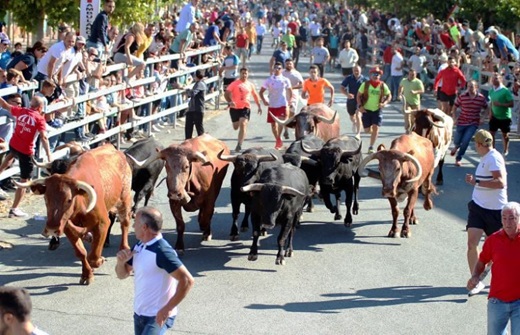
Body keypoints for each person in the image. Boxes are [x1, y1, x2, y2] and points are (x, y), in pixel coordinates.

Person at [115, 206, 195, 335]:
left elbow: (187, 281)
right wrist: (120, 263)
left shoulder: (162, 251)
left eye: (135, 223)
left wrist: (167, 309)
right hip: (140, 314)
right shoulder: (139, 246)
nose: (133, 227)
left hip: (157, 316)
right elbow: (122, 275)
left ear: (144, 227)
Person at [464, 129, 508, 297]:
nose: (475, 147)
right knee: (471, 244)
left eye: (476, 144)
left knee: (497, 250)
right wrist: (476, 183)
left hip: (495, 211)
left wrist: (477, 182)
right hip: (478, 207)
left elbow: (500, 183)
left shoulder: (494, 159)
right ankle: (476, 280)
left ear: (480, 144)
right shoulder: (485, 157)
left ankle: (500, 279)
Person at [466, 202, 520, 334]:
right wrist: (475, 277)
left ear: (519, 218)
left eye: (512, 218)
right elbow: (482, 260)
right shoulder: (493, 240)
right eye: (504, 218)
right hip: (497, 301)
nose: (507, 223)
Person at [0, 95, 52, 217]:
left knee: (10, 156)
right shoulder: (39, 119)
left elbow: (5, 105)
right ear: (40, 107)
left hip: (14, 144)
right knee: (25, 181)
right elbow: (44, 137)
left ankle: (0, 171)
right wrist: (49, 154)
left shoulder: (21, 111)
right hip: (26, 150)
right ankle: (14, 208)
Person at [450, 80, 488, 166]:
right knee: (457, 140)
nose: (470, 88)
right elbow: (455, 107)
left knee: (466, 141)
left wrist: (483, 118)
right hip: (462, 121)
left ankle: (458, 158)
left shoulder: (481, 98)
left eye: (472, 86)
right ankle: (456, 146)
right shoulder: (462, 96)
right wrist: (454, 118)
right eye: (468, 86)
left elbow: (487, 108)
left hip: (473, 123)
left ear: (476, 87)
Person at [224, 67, 262, 152]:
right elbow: (226, 94)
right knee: (235, 127)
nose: (244, 75)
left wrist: (259, 105)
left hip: (245, 107)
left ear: (248, 74)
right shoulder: (234, 84)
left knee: (243, 123)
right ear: (240, 74)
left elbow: (255, 95)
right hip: (234, 108)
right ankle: (236, 128)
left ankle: (239, 144)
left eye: (246, 73)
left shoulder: (250, 85)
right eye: (242, 73)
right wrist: (230, 102)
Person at [356, 66, 391, 154]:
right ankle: (371, 129)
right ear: (370, 75)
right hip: (366, 110)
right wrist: (360, 106)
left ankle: (371, 147)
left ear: (380, 76)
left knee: (376, 127)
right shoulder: (365, 84)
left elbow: (389, 95)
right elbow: (358, 95)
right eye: (374, 74)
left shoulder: (383, 85)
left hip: (377, 110)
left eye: (378, 74)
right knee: (367, 130)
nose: (376, 76)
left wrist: (384, 103)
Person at [259, 62, 292, 150]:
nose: (277, 69)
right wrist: (264, 100)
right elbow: (261, 92)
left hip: (282, 104)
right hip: (272, 105)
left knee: (281, 122)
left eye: (279, 68)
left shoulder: (285, 80)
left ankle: (279, 138)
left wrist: (289, 101)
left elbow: (290, 90)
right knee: (273, 125)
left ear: (282, 70)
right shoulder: (269, 80)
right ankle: (278, 138)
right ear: (273, 69)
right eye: (276, 68)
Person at [488, 72, 514, 156]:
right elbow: (491, 102)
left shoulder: (505, 91)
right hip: (495, 116)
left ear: (500, 79)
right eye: (493, 78)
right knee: (491, 133)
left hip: (504, 117)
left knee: (505, 135)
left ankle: (506, 149)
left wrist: (501, 104)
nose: (494, 80)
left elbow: (511, 104)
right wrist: (490, 113)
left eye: (496, 78)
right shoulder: (491, 90)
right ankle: (493, 150)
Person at [341, 65, 366, 137]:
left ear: (360, 71)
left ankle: (358, 133)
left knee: (358, 115)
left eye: (357, 70)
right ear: (352, 71)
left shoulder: (365, 79)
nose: (356, 72)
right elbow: (342, 88)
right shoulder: (349, 78)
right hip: (351, 100)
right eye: (355, 70)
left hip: (360, 100)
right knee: (351, 116)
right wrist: (347, 94)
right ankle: (354, 122)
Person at [281, 58, 303, 139]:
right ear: (285, 64)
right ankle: (286, 130)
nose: (289, 65)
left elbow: (301, 85)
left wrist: (291, 88)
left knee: (292, 113)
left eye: (290, 64)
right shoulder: (282, 73)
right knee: (285, 113)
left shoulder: (296, 73)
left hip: (294, 95)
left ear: (293, 64)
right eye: (287, 64)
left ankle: (289, 125)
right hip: (284, 95)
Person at [398, 69, 424, 133]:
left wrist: (415, 92)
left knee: (414, 118)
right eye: (410, 74)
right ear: (408, 74)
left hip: (415, 102)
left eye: (413, 74)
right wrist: (399, 94)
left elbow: (422, 90)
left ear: (416, 75)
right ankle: (407, 129)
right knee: (407, 115)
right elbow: (400, 87)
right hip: (407, 101)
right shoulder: (404, 81)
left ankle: (413, 129)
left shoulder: (418, 82)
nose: (412, 76)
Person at [184, 70, 206, 139]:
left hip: (197, 109)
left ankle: (202, 143)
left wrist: (186, 90)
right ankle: (188, 142)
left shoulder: (200, 84)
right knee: (189, 127)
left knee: (199, 129)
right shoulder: (199, 83)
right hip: (194, 109)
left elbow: (192, 93)